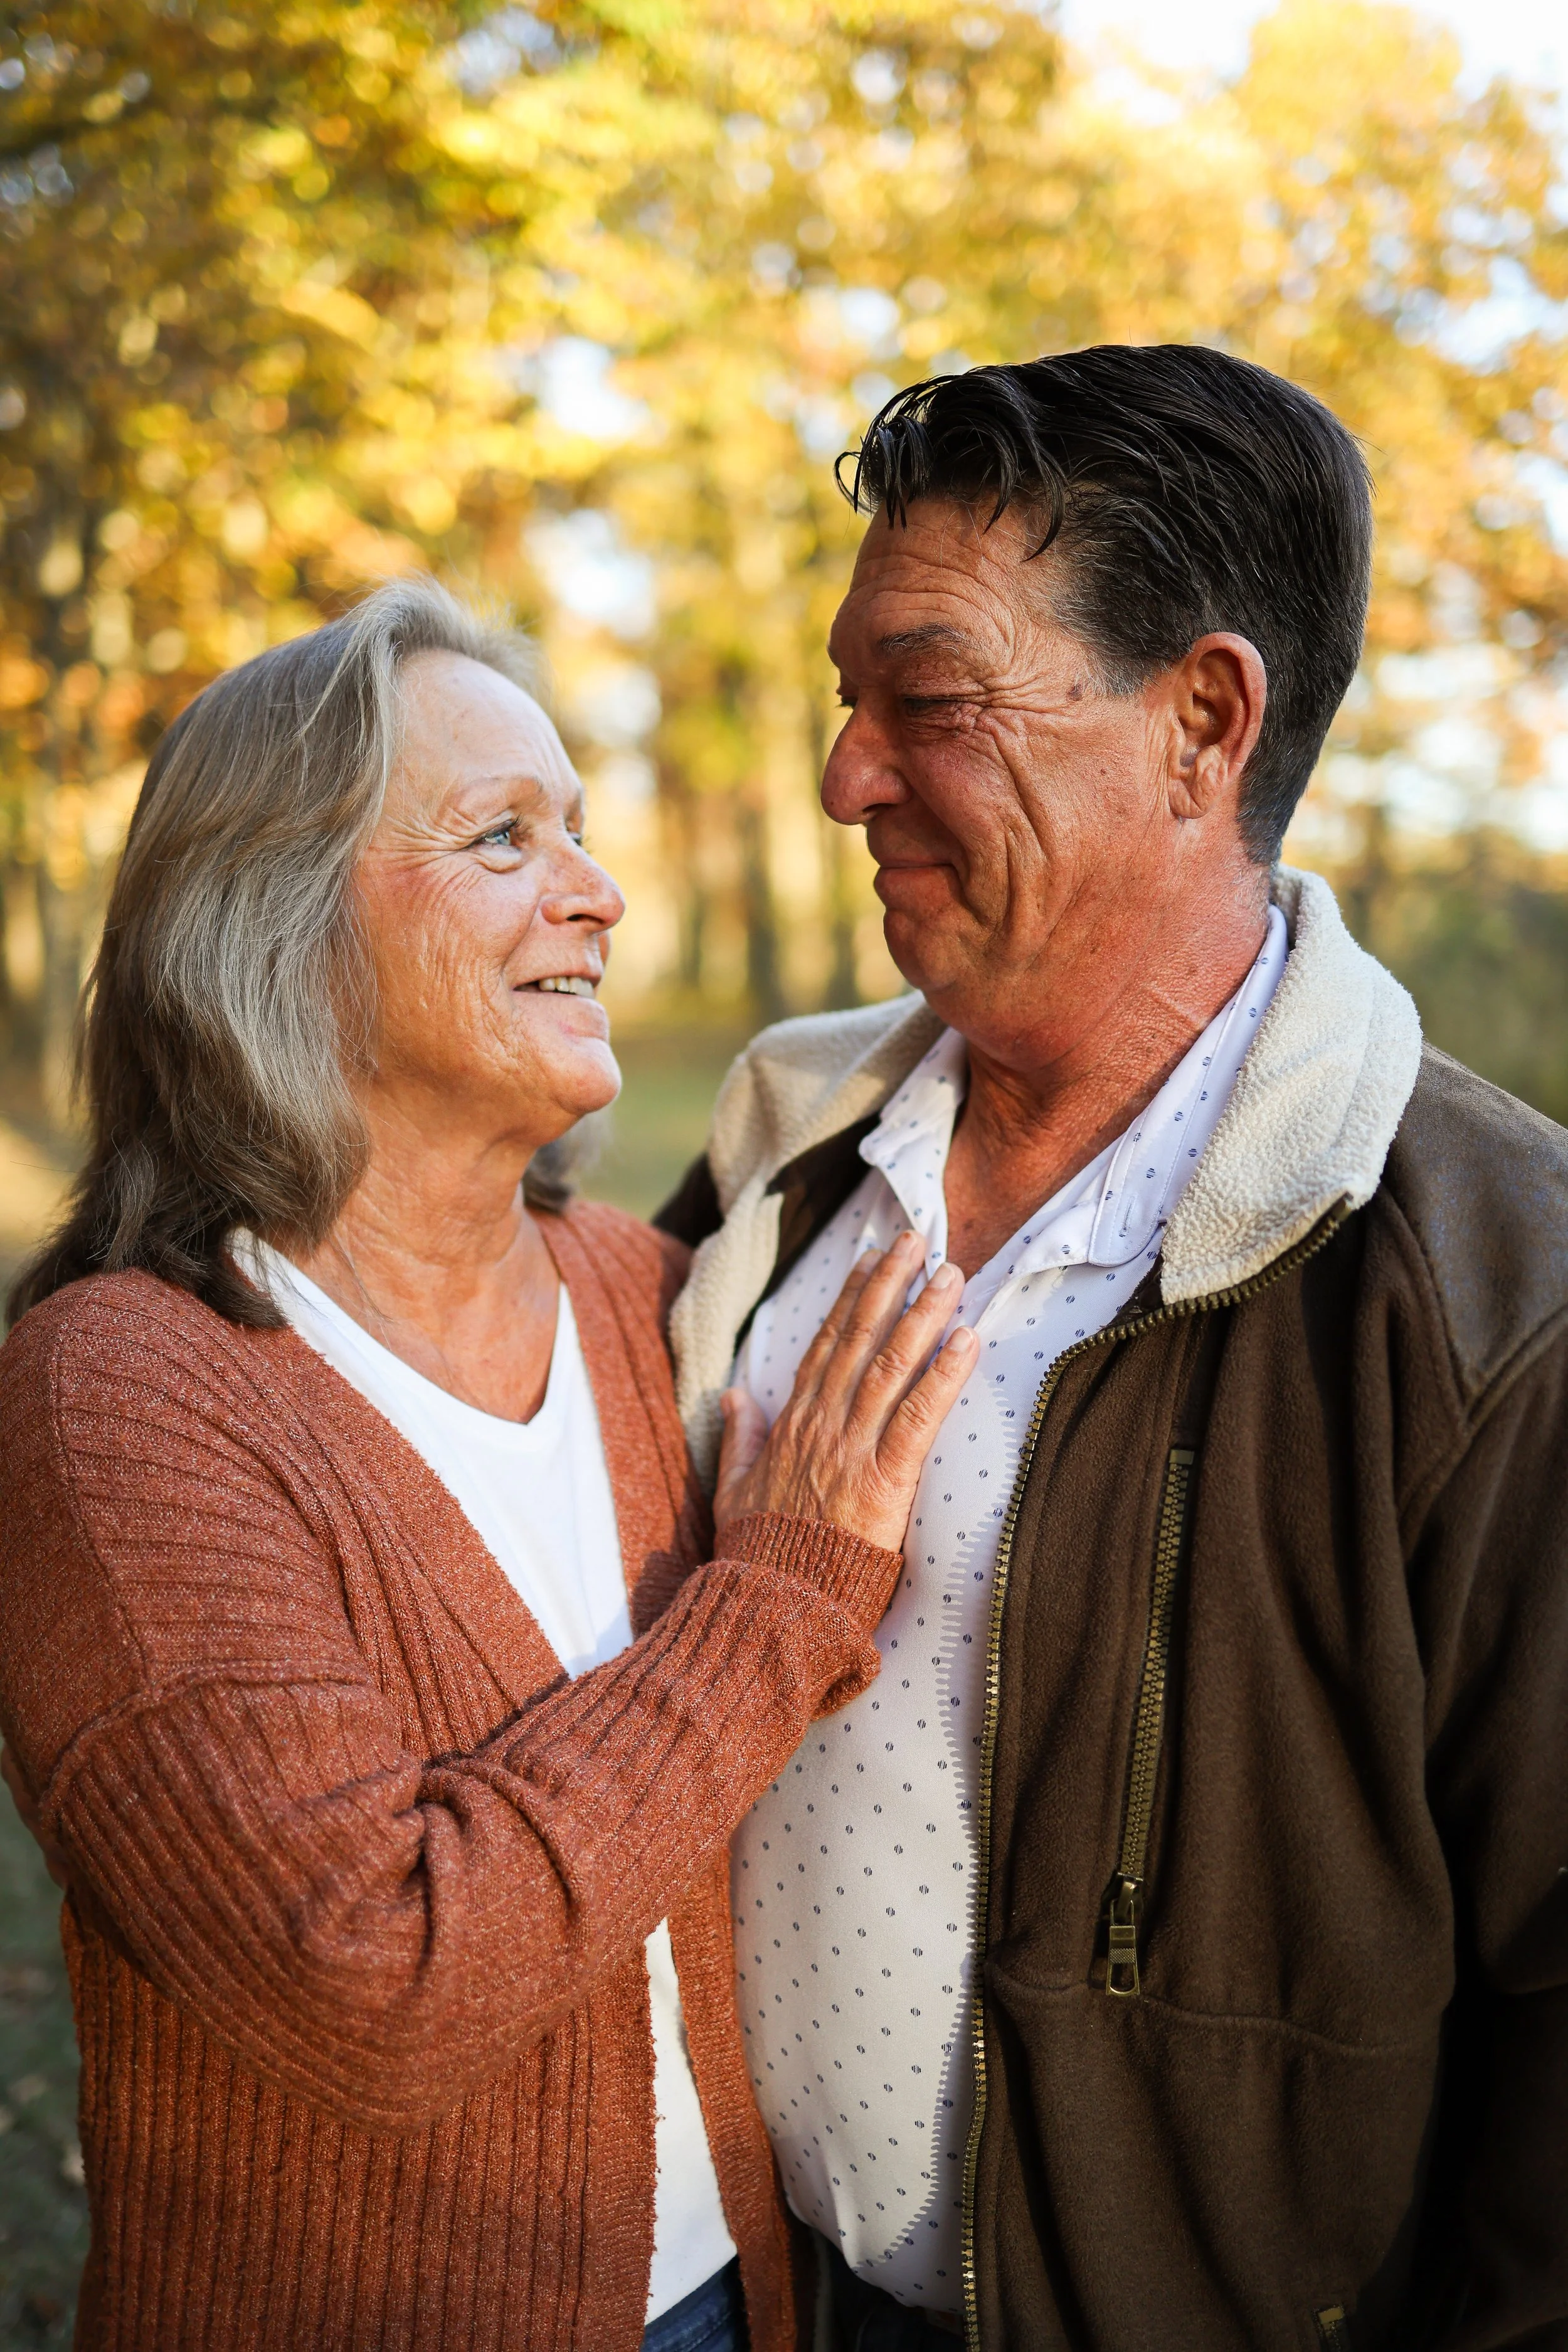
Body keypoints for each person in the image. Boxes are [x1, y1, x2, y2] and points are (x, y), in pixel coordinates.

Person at [657, 347, 1568, 2350]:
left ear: (1200, 724)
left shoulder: (1504, 1290)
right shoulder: (783, 1141)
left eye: (930, 701)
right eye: (845, 700)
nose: (843, 776)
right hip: (753, 2298)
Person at [0, 577, 980, 2352]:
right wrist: (772, 1598)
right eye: (503, 834)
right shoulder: (122, 1394)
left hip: (747, 2297)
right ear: (271, 923)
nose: (597, 891)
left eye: (585, 831)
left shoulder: (643, 1292)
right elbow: (373, 1988)